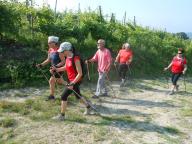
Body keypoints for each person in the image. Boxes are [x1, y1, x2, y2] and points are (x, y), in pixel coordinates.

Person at [51, 42, 94, 120]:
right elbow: (66, 67)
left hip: (75, 80)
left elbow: (80, 74)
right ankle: (88, 107)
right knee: (78, 96)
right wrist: (56, 69)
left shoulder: (76, 58)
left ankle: (62, 116)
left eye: (62, 51)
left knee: (63, 96)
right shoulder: (68, 57)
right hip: (71, 80)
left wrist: (72, 83)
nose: (61, 52)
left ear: (68, 50)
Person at [36, 36, 65, 100]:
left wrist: (56, 67)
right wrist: (41, 65)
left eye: (49, 43)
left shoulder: (59, 50)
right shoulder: (50, 50)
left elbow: (63, 61)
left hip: (59, 69)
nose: (48, 44)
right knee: (59, 81)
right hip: (53, 69)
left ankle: (52, 96)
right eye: (48, 43)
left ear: (54, 43)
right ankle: (72, 87)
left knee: (52, 81)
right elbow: (48, 60)